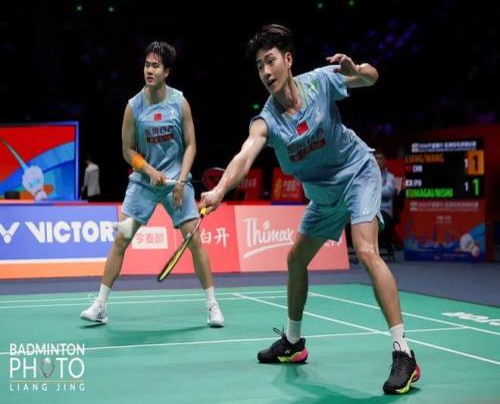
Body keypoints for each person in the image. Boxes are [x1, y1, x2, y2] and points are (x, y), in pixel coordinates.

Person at [200, 25, 419, 394]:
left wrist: (355, 70)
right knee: (296, 259)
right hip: (324, 195)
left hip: (358, 173)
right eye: (259, 66)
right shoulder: (267, 120)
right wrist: (221, 189)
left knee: (366, 250)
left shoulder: (319, 82)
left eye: (270, 61)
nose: (265, 71)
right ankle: (293, 342)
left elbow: (372, 77)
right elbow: (246, 154)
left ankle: (404, 354)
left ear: (287, 60)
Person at [80, 41, 224, 328]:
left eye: (155, 66)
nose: (149, 70)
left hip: (176, 183)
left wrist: (181, 181)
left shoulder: (179, 102)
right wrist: (147, 170)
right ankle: (100, 306)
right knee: (121, 238)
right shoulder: (133, 106)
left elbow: (191, 145)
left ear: (166, 71)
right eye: (147, 65)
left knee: (194, 240)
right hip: (143, 184)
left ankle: (213, 306)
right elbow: (127, 150)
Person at [374, 148, 397, 257]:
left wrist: (371, 189)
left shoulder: (390, 177)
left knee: (377, 220)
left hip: (384, 211)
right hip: (370, 211)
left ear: (385, 161)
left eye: (380, 158)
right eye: (376, 158)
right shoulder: (368, 176)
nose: (378, 161)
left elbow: (388, 192)